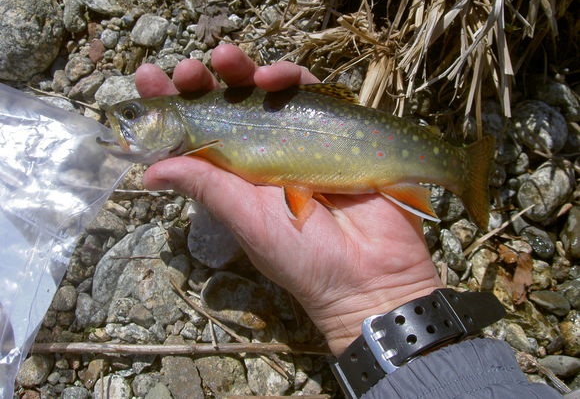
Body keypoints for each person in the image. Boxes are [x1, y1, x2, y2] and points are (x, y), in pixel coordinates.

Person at [135, 44, 562, 398]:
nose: (128, 121)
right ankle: (457, 169)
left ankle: (461, 168)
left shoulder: (192, 126)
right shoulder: (192, 137)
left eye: (134, 114)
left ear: (165, 118)